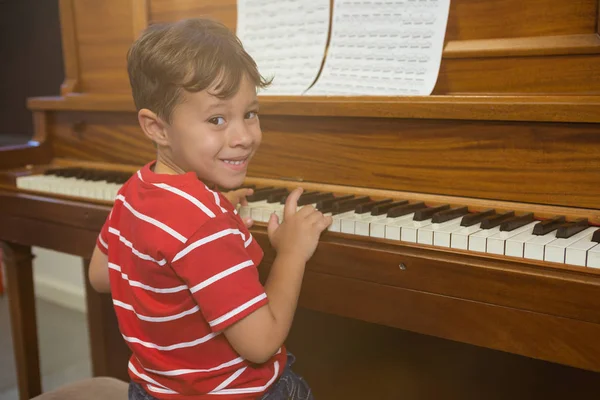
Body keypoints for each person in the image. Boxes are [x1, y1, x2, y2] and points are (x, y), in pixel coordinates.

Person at [87, 18, 332, 400]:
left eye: (250, 113)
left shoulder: (135, 191)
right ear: (157, 128)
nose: (244, 137)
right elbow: (261, 343)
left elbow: (101, 275)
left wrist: (211, 204)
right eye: (217, 119)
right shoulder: (203, 224)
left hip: (154, 392)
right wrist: (292, 252)